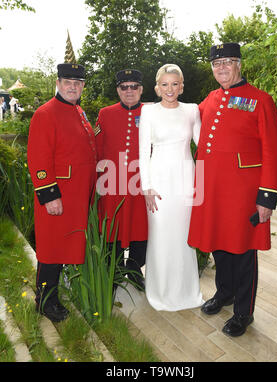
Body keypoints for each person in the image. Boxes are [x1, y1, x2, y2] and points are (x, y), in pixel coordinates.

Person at [188, 43, 277, 336]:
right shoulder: (211, 98)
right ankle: (224, 293)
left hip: (243, 193)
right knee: (220, 245)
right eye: (217, 64)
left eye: (228, 62)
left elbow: (273, 151)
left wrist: (266, 196)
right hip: (213, 190)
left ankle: (244, 312)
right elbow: (185, 119)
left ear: (239, 65)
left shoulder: (260, 99)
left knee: (243, 251)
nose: (222, 68)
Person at [27, 63, 97, 322]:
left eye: (77, 82)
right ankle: (45, 301)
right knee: (52, 249)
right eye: (67, 81)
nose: (72, 86)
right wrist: (49, 195)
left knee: (63, 245)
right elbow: (38, 158)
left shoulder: (78, 111)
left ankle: (56, 291)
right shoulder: (46, 113)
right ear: (57, 83)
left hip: (77, 195)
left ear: (83, 86)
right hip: (60, 196)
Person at [139, 64, 204, 311]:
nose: (170, 89)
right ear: (157, 87)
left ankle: (187, 291)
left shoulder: (191, 110)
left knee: (184, 237)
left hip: (186, 179)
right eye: (165, 84)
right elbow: (143, 152)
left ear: (181, 86)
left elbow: (205, 144)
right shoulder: (148, 112)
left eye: (174, 84)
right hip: (159, 182)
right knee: (161, 235)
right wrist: (147, 187)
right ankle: (160, 292)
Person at [95, 69, 148, 290]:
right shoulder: (105, 113)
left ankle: (135, 270)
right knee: (112, 227)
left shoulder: (151, 113)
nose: (129, 91)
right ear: (117, 90)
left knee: (141, 227)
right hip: (112, 182)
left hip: (141, 182)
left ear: (141, 89)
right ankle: (113, 273)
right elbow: (97, 148)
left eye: (133, 86)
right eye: (124, 87)